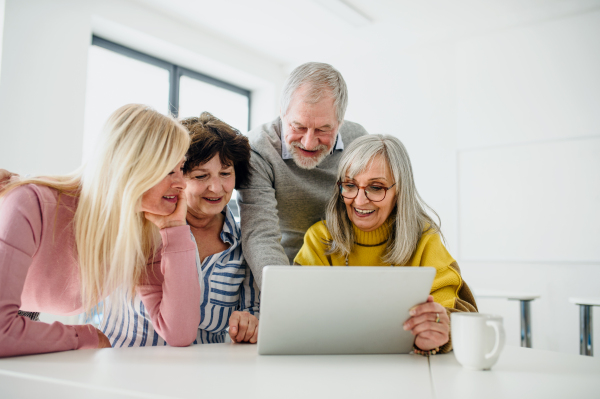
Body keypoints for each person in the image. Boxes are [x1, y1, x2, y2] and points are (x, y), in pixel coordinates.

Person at [0, 104, 200, 357]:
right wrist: (86, 336)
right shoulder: (31, 204)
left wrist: (175, 229)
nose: (183, 184)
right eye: (169, 170)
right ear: (130, 168)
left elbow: (180, 332)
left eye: (181, 169)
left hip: (21, 322)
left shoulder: (144, 231)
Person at [294, 134, 478, 354]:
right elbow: (299, 312)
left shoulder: (425, 239)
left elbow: (451, 311)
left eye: (376, 187)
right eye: (350, 185)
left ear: (399, 191)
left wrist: (438, 330)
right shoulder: (320, 238)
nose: (360, 201)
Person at [102, 112, 260, 347]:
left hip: (202, 373)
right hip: (127, 365)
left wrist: (249, 323)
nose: (216, 187)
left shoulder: (244, 241)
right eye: (200, 175)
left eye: (225, 173)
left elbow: (253, 313)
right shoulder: (139, 226)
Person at [238, 62, 368, 287]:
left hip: (344, 272)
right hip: (283, 271)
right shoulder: (257, 149)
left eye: (322, 130)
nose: (308, 142)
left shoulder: (358, 140)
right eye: (298, 126)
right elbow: (260, 235)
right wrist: (282, 294)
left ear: (340, 122)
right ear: (282, 113)